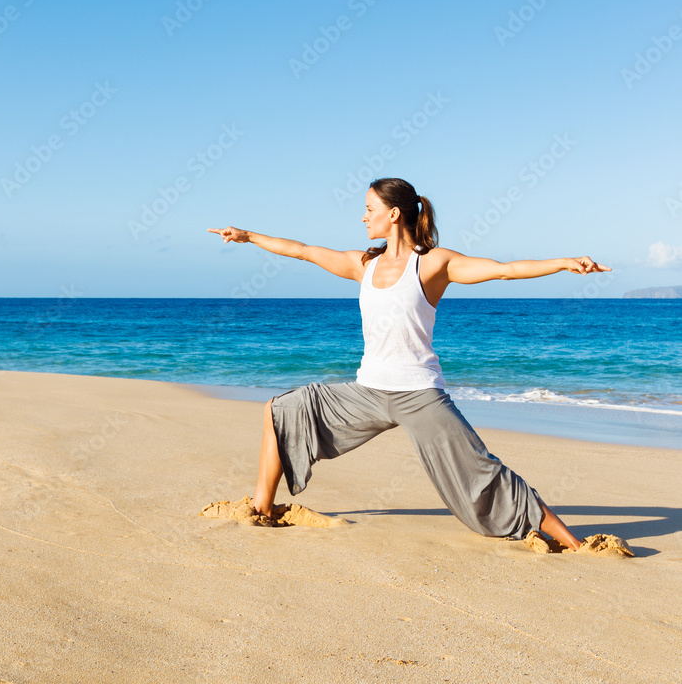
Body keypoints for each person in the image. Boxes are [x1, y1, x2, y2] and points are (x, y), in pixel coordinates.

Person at [208, 176, 611, 550]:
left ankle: (574, 544)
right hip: (366, 391)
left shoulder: (433, 264)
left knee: (481, 471)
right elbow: (303, 251)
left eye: (370, 208)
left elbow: (504, 271)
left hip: (419, 394)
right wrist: (248, 237)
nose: (363, 216)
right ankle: (262, 509)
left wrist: (563, 262)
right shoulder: (363, 264)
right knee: (282, 408)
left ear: (394, 214)